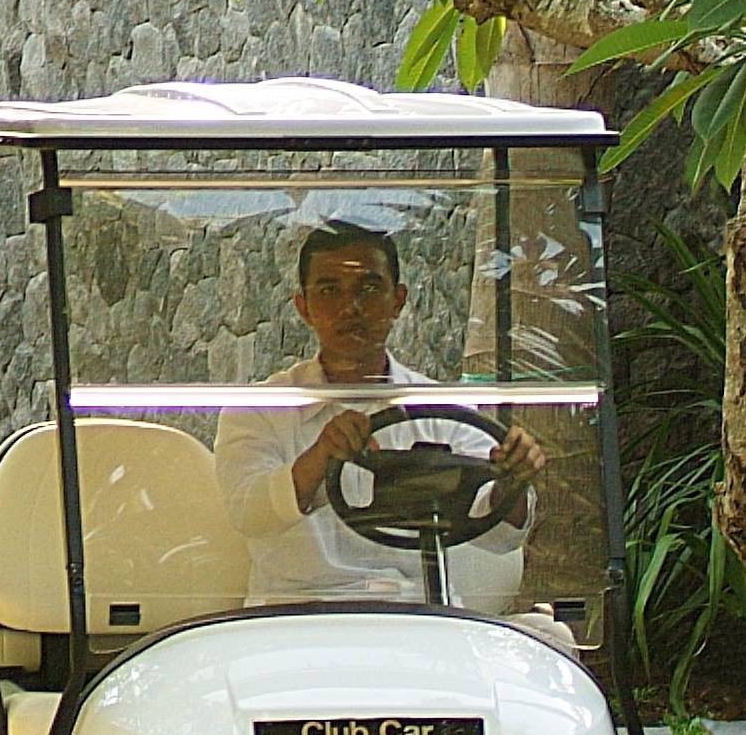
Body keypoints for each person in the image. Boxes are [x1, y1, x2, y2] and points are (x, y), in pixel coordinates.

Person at [214, 218, 544, 606]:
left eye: (368, 289)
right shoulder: (259, 409)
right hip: (293, 618)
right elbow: (248, 514)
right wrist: (319, 458)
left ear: (398, 300)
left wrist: (512, 477)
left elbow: (501, 536)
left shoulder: (446, 409)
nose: (350, 308)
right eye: (329, 290)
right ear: (303, 306)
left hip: (416, 614)